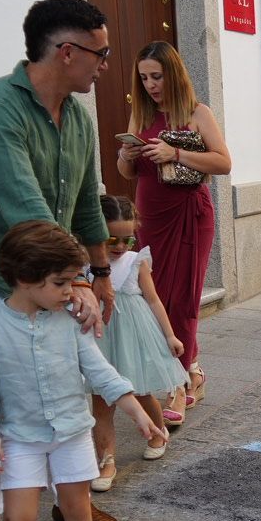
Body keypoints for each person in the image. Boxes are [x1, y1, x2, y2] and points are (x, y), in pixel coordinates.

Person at [0, 0, 121, 521]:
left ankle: (68, 494)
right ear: (66, 51)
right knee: (1, 390)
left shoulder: (76, 117)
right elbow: (23, 202)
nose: (104, 65)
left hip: (58, 273)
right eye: (100, 53)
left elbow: (86, 206)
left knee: (65, 378)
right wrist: (71, 280)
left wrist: (99, 274)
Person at [0, 221, 166, 521]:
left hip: (73, 432)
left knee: (77, 508)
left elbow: (99, 370)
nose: (70, 290)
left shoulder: (68, 320)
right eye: (61, 282)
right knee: (18, 519)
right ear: (25, 279)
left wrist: (136, 410)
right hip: (20, 437)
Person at [117, 40, 231, 425]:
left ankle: (178, 385)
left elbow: (223, 162)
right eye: (145, 77)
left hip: (189, 215)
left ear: (174, 74)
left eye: (157, 76)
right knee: (156, 300)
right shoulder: (141, 114)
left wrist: (176, 153)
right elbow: (128, 174)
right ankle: (194, 370)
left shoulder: (198, 113)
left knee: (182, 299)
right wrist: (126, 157)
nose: (150, 85)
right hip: (149, 217)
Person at [90, 196, 185, 493]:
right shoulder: (85, 265)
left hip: (134, 337)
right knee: (101, 402)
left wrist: (169, 334)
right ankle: (106, 460)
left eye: (127, 238)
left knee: (141, 392)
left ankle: (157, 433)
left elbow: (153, 299)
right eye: (111, 239)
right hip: (100, 340)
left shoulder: (136, 261)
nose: (120, 246)